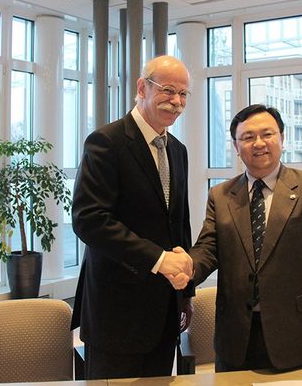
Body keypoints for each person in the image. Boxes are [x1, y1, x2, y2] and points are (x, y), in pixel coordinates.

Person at [189, 104, 302, 372]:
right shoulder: (221, 195)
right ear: (236, 146)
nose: (259, 143)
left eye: (267, 134)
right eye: (248, 137)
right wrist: (186, 267)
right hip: (235, 334)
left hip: (294, 331)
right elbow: (208, 248)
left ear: (282, 138)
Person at [70, 55, 194, 380]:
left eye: (183, 94)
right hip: (116, 313)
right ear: (142, 88)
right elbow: (89, 218)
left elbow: (178, 223)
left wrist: (186, 294)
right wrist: (158, 259)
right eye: (168, 90)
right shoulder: (106, 142)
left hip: (165, 310)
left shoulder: (177, 150)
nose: (177, 101)